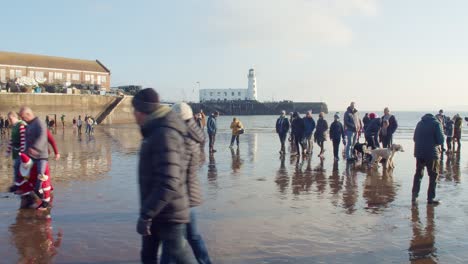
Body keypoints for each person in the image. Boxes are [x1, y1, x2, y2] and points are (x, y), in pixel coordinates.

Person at [132, 88, 196, 264]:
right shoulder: (154, 131)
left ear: (142, 111)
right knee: (148, 257)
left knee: (181, 257)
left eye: (135, 110)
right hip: (157, 212)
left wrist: (146, 214)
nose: (133, 115)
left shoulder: (164, 134)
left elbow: (169, 180)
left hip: (169, 213)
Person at [166, 102, 212, 264]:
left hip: (180, 198)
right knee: (192, 236)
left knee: (173, 242)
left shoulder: (182, 139)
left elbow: (175, 172)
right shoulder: (195, 136)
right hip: (189, 195)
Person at [19, 107, 50, 210]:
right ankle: (42, 199)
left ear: (28, 114)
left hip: (41, 156)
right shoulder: (29, 125)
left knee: (41, 178)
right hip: (32, 157)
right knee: (31, 180)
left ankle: (45, 202)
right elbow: (27, 141)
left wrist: (35, 148)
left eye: (23, 117)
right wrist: (24, 152)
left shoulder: (40, 122)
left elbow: (43, 136)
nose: (23, 119)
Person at [412, 113, 444, 205]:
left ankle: (414, 196)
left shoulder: (419, 123)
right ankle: (430, 198)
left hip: (419, 153)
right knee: (433, 175)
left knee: (418, 174)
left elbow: (414, 138)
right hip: (431, 154)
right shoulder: (436, 124)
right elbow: (441, 140)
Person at [5, 111, 27, 192]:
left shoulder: (21, 125)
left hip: (21, 152)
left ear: (15, 117)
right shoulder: (14, 126)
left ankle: (20, 186)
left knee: (19, 168)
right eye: (9, 119)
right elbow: (12, 139)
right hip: (15, 151)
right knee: (16, 168)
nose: (10, 121)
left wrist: (22, 152)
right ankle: (17, 185)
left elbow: (23, 140)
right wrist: (8, 151)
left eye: (10, 119)